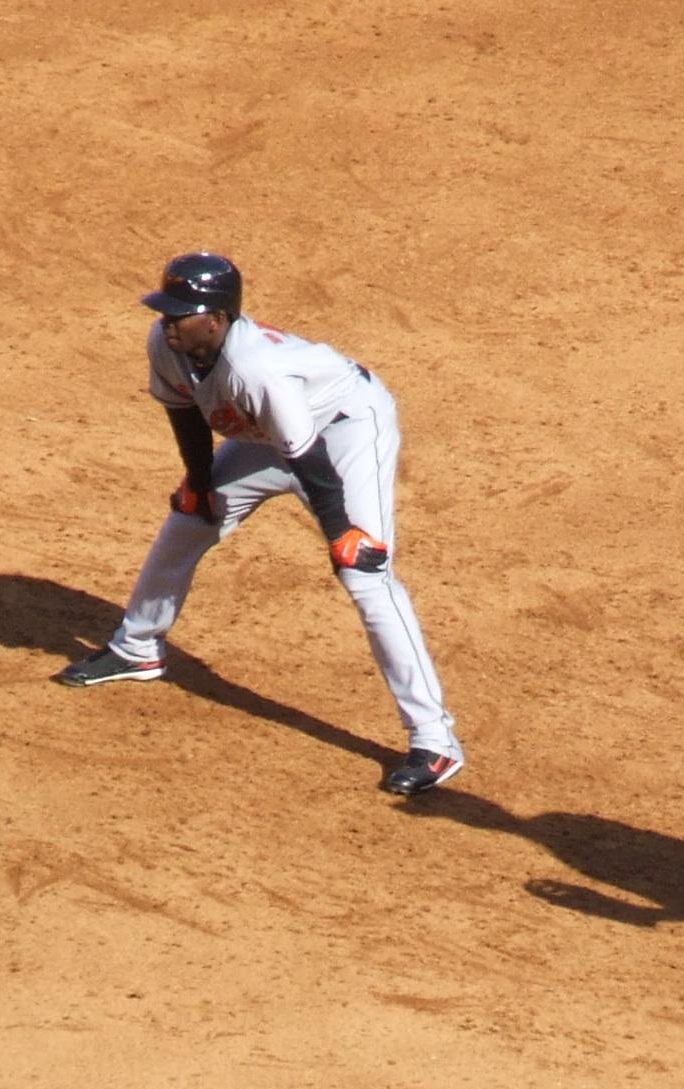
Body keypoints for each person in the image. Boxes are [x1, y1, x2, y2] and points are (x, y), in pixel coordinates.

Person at [57, 252, 465, 797]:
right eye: (165, 310)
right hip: (271, 435)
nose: (167, 321)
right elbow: (185, 414)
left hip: (342, 430)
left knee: (364, 573)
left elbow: (307, 457)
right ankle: (138, 648)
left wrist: (343, 530)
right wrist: (200, 482)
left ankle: (436, 742)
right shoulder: (167, 344)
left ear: (216, 319)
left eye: (181, 313)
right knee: (189, 519)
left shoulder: (257, 369)